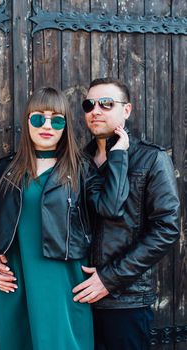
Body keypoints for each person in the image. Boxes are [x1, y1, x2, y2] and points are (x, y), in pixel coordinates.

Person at [0, 87, 130, 350]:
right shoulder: (6, 168)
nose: (47, 126)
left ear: (65, 126)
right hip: (15, 282)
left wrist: (119, 154)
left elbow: (111, 207)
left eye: (56, 120)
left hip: (64, 283)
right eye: (38, 118)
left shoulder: (80, 167)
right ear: (27, 121)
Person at [72, 77, 180, 350]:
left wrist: (110, 279)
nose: (96, 110)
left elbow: (166, 229)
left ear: (127, 110)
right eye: (89, 104)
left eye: (107, 104)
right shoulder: (75, 162)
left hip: (124, 299)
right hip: (73, 293)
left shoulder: (152, 159)